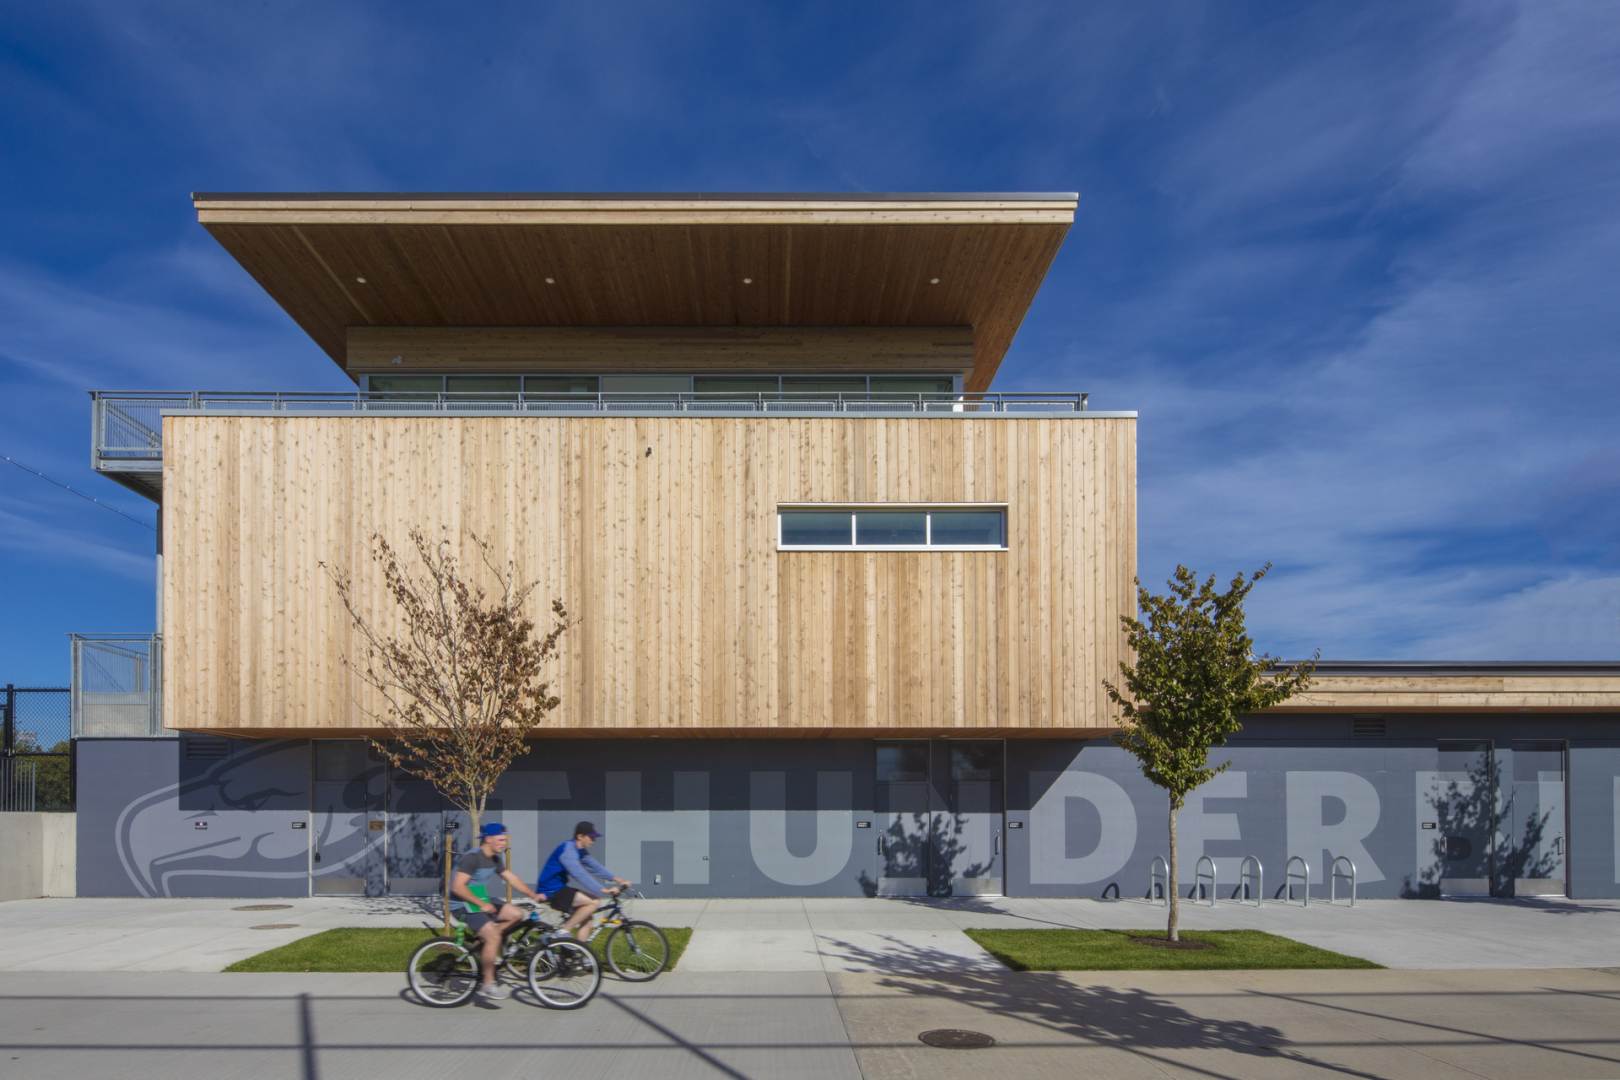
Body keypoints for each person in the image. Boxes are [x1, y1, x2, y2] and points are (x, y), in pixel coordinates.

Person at [449, 821, 547, 1003]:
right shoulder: (472, 858)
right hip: (462, 903)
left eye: (505, 840)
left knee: (517, 914)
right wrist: (482, 904)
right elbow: (457, 887)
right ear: (488, 839)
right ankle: (487, 984)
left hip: (480, 898)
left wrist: (532, 894)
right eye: (501, 840)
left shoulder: (494, 858)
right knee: (494, 936)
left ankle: (487, 943)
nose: (504, 843)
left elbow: (511, 877)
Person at [536, 820, 631, 943]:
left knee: (588, 919)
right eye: (591, 837)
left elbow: (595, 866)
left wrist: (617, 879)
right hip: (550, 890)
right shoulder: (567, 850)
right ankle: (563, 931)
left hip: (560, 888)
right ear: (580, 836)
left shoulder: (580, 850)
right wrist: (604, 890)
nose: (593, 840)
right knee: (594, 902)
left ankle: (580, 955)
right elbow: (579, 874)